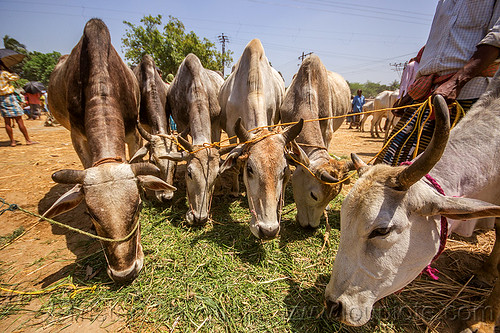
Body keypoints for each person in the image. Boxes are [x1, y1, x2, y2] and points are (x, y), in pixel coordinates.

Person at [376, 0, 500, 165]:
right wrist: (415, 91)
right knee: (387, 163)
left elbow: (497, 38)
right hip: (428, 95)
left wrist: (457, 82)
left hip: (469, 95)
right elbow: (440, 44)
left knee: (447, 172)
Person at [0, 60, 35, 146]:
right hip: (9, 97)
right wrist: (10, 70)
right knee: (19, 120)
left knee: (7, 122)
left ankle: (12, 141)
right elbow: (16, 77)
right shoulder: (4, 73)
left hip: (1, 99)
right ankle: (28, 140)